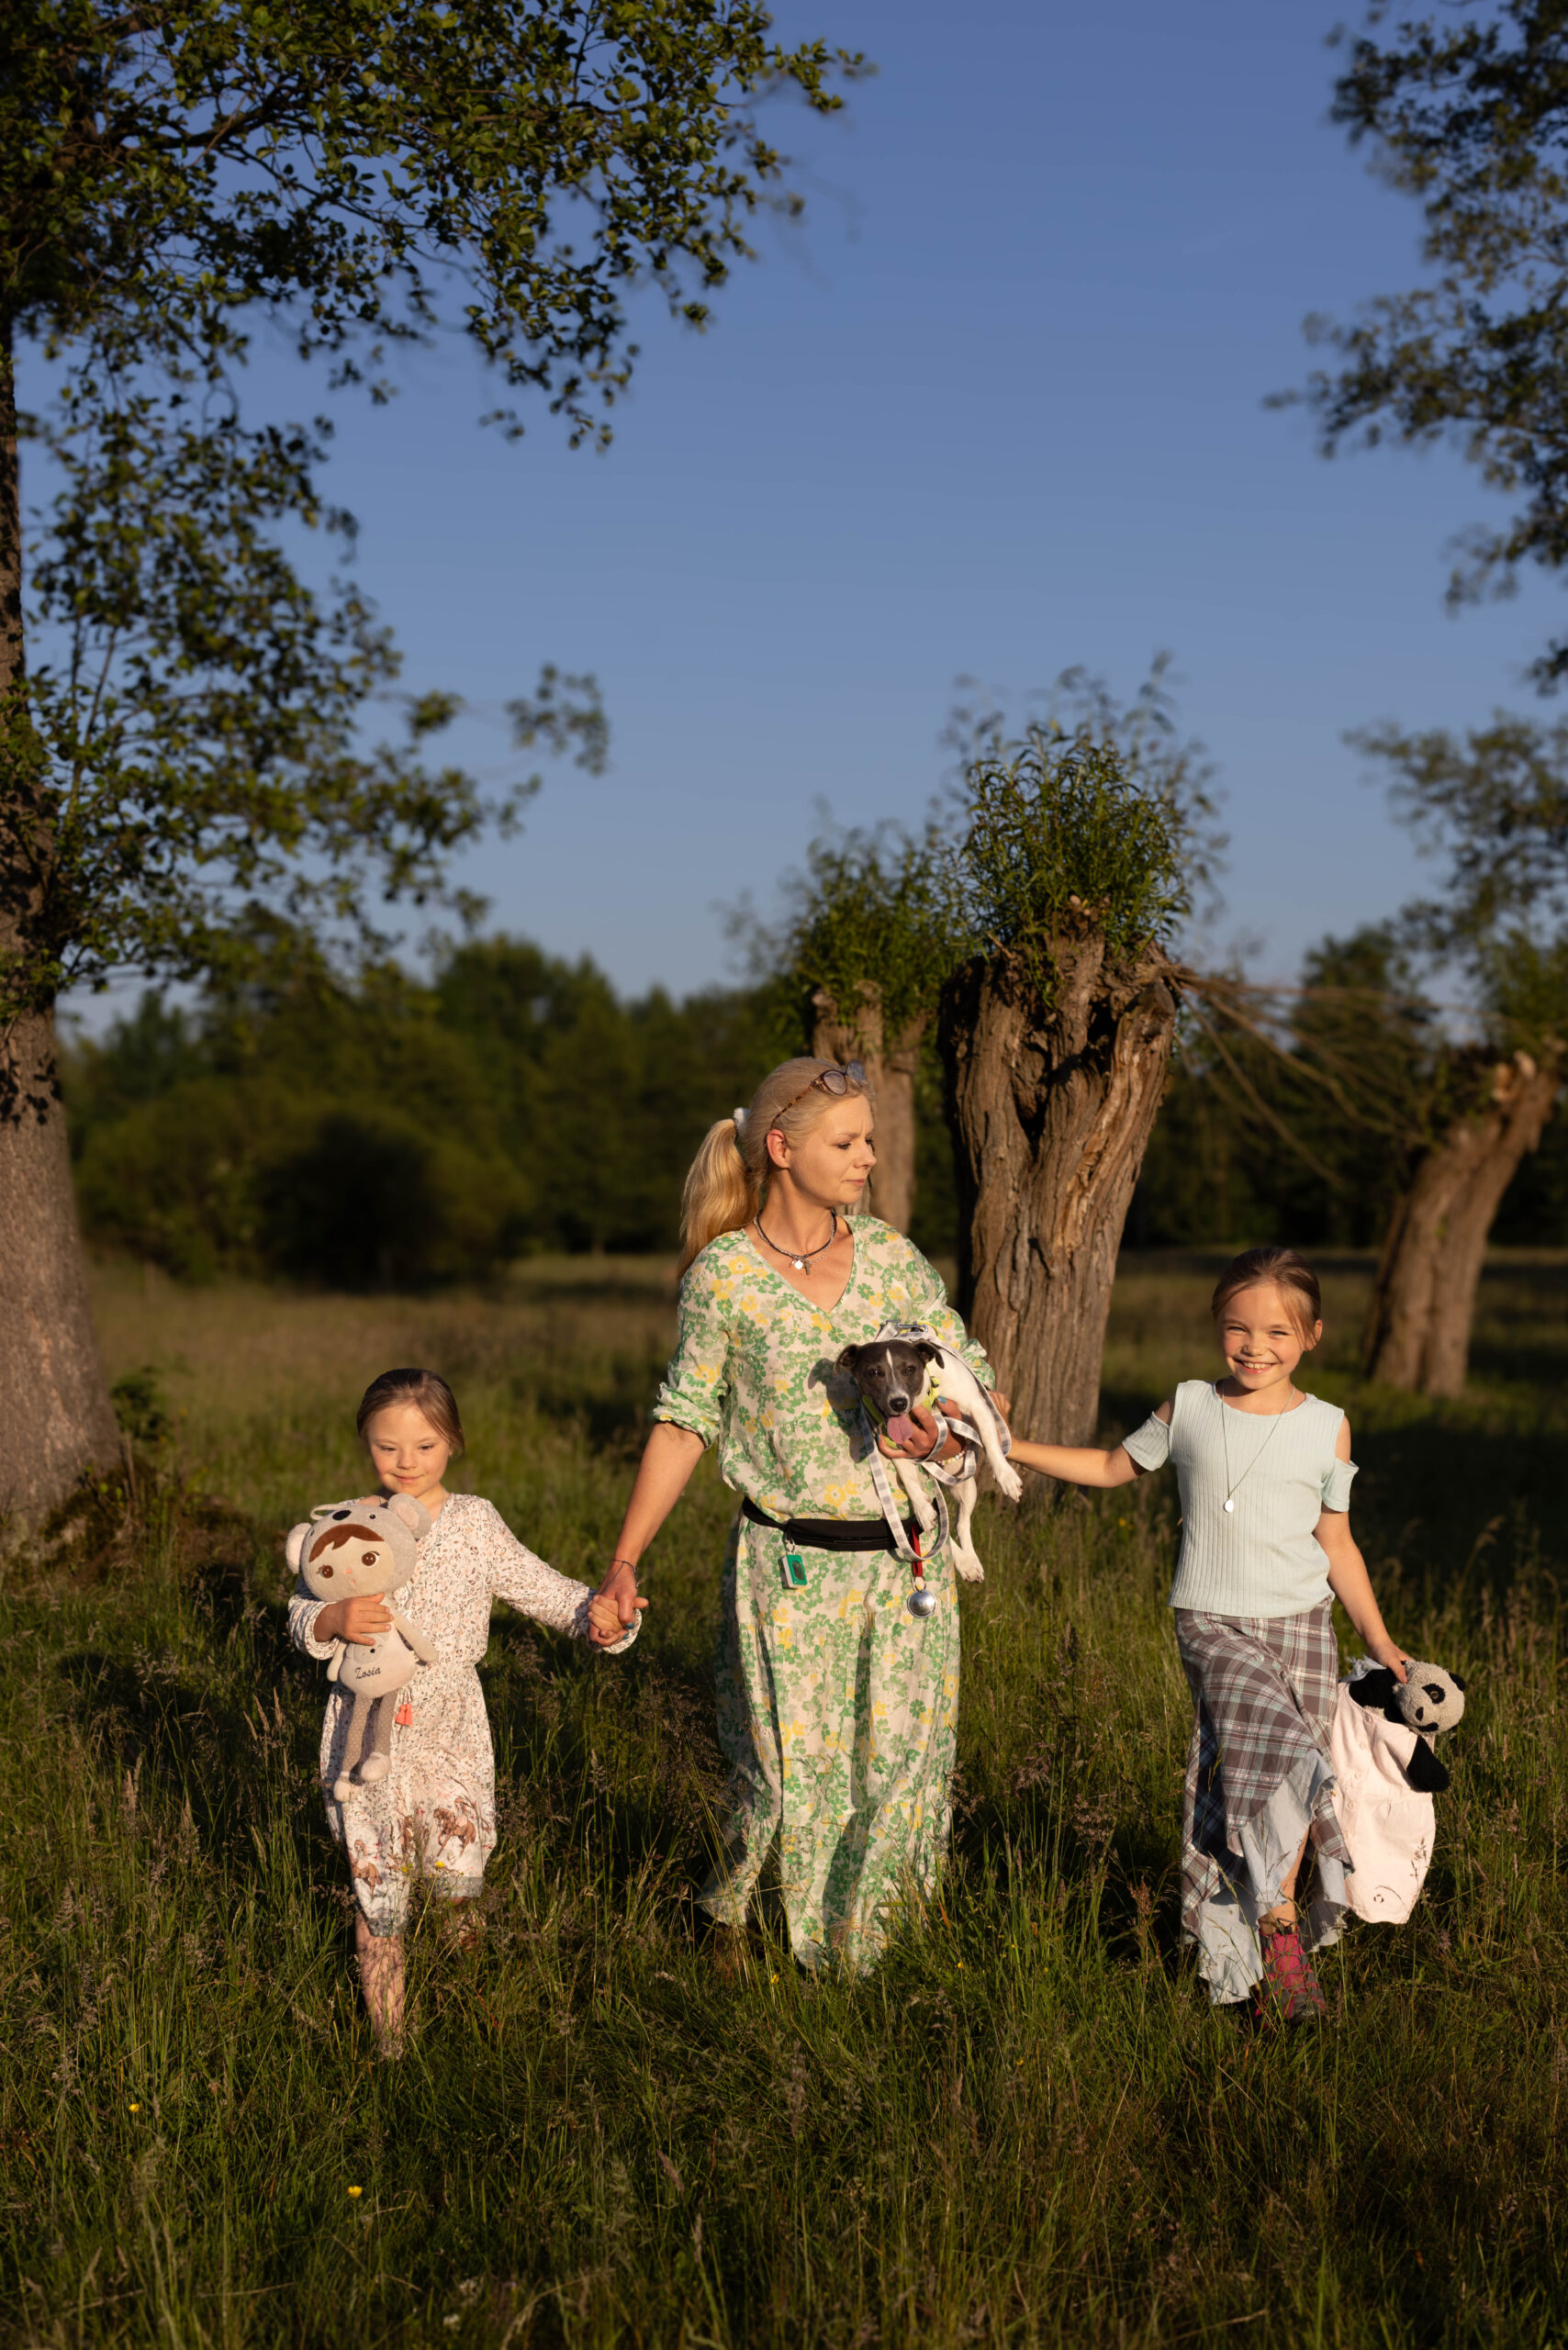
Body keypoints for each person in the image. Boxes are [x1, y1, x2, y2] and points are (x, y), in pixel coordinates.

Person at [594, 1058, 1004, 1977]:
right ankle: (729, 1921)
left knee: (901, 1772)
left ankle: (869, 1966)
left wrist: (942, 1445)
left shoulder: (894, 1260)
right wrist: (624, 1562)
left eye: (869, 1140)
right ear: (780, 1148)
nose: (867, 1157)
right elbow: (685, 1419)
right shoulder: (725, 1278)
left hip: (908, 1568)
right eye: (846, 1141)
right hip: (789, 1565)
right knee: (785, 1784)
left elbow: (973, 1378)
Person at [1008, 1247, 1411, 2025]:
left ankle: (1265, 1940)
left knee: (1271, 1782)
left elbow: (1338, 1543)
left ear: (1313, 1336)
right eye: (1237, 1328)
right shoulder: (1190, 1406)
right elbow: (1108, 1465)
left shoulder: (1329, 1426)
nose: (1255, 1347)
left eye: (1278, 1333)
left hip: (1304, 1629)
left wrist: (1381, 1638)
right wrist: (1003, 1445)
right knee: (1286, 1758)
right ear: (1216, 1329)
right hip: (1213, 1624)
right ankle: (1279, 1930)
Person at [288, 1367, 643, 2052]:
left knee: (457, 1882)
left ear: (453, 1441)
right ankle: (389, 2039)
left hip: (451, 1725)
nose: (405, 1463)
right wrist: (331, 1617)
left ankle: (472, 2015)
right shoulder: (346, 1520)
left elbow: (542, 1590)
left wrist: (602, 1619)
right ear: (365, 1441)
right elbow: (299, 1612)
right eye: (387, 1446)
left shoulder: (474, 1522)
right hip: (366, 1734)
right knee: (377, 1888)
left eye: (424, 1446)